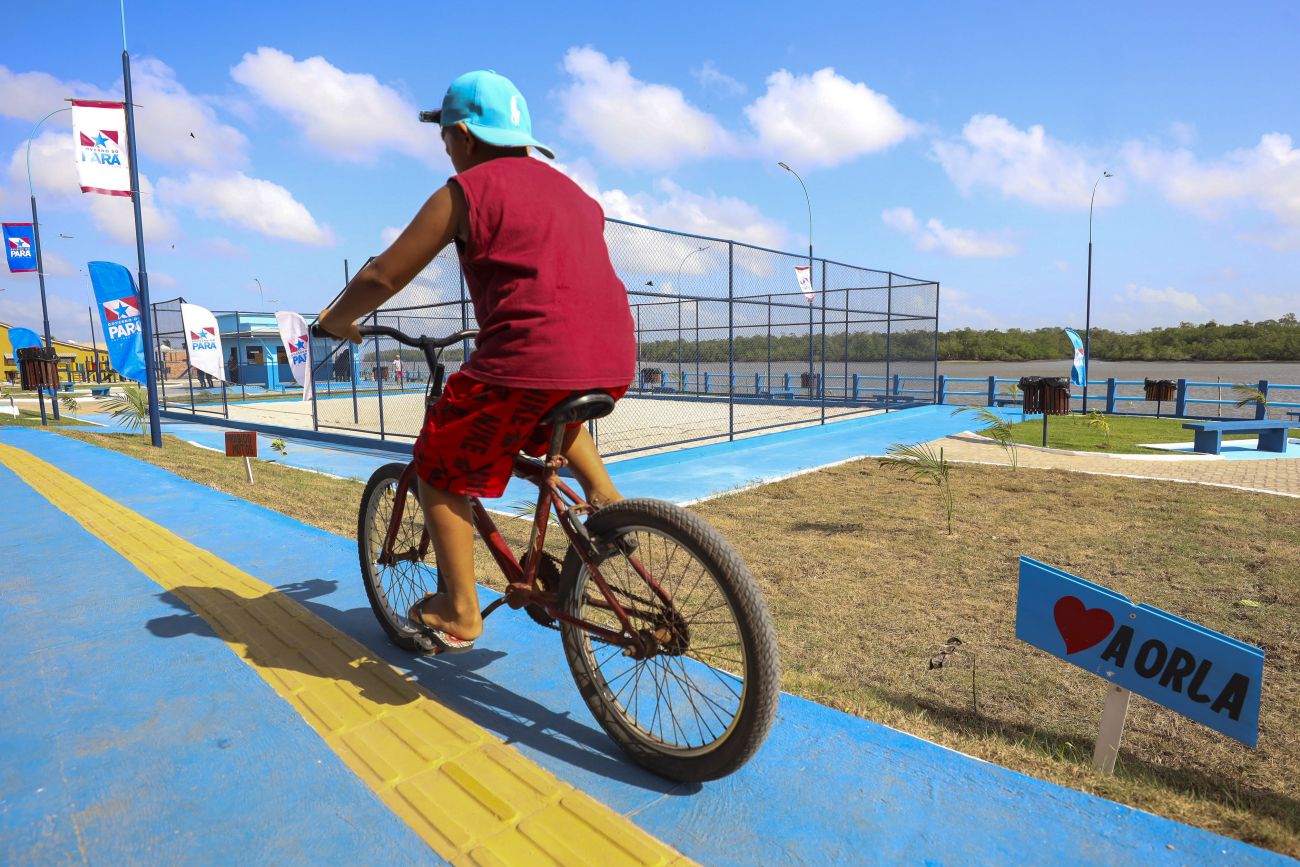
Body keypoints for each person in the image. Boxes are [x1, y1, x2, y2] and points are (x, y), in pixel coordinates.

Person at [317, 69, 634, 652]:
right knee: (549, 411)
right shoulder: (576, 194)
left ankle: (461, 609)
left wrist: (335, 321)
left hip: (528, 357)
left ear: (463, 135)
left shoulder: (465, 192)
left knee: (437, 464)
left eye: (444, 136)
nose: (445, 148)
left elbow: (383, 275)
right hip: (612, 352)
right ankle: (608, 503)